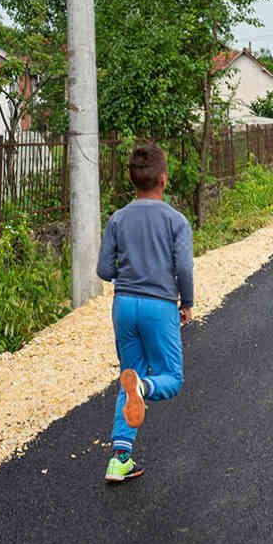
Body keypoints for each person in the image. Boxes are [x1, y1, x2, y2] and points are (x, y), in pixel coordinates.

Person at [94, 142, 193, 484]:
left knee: (129, 373)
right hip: (159, 305)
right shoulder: (176, 221)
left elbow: (104, 270)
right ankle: (144, 387)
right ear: (163, 179)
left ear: (131, 180)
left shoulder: (118, 219)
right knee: (170, 378)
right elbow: (184, 268)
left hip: (124, 305)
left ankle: (120, 459)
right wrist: (188, 302)